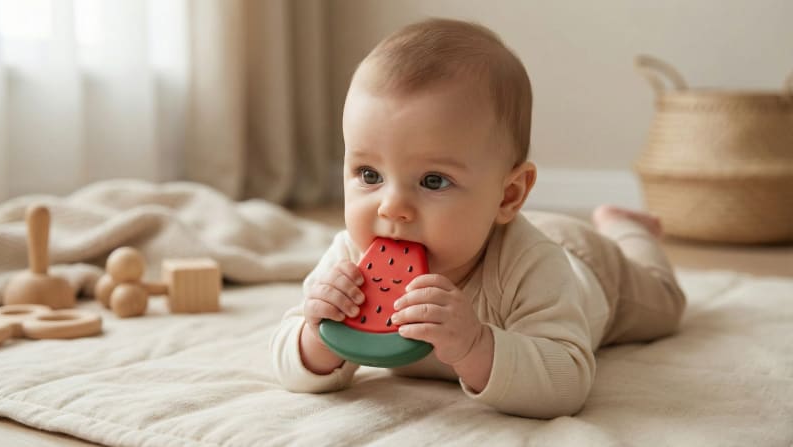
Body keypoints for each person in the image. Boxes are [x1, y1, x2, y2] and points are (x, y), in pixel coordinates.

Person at [270, 18, 686, 419]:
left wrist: (475, 346)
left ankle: (625, 228)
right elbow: (286, 360)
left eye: (433, 180)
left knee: (667, 305)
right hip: (504, 227)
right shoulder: (350, 259)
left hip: (588, 265)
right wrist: (317, 336)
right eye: (369, 175)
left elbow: (568, 382)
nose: (391, 207)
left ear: (508, 194)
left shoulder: (533, 265)